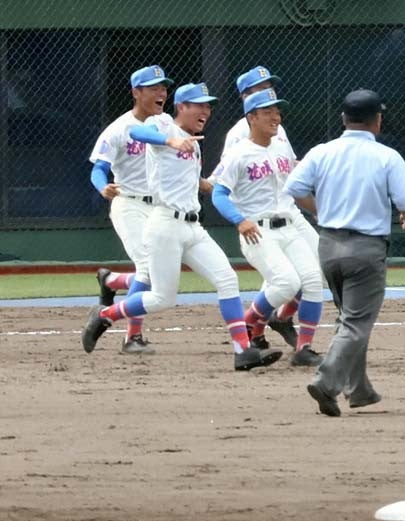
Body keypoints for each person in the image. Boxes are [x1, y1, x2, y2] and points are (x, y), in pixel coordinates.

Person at [81, 83, 283, 372]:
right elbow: (136, 132)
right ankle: (105, 316)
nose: (205, 111)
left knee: (227, 279)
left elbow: (187, 180)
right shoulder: (164, 125)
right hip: (165, 225)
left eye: (208, 106)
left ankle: (243, 352)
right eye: (198, 105)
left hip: (193, 226)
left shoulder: (193, 141)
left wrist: (212, 185)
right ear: (181, 107)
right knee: (162, 298)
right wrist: (170, 141)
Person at [287, 89, 405, 417]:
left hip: (328, 245)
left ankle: (359, 390)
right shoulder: (387, 156)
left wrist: (319, 211)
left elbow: (294, 188)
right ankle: (326, 382)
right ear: (377, 121)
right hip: (365, 248)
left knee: (348, 318)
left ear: (344, 118)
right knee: (356, 323)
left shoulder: (322, 152)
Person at [211, 89, 325, 367]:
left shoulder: (281, 147)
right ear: (251, 117)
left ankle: (304, 349)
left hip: (289, 225)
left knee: (313, 281)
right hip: (258, 231)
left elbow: (295, 187)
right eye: (267, 112)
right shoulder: (238, 153)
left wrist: (319, 208)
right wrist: (239, 220)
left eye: (277, 111)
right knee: (287, 283)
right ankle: (248, 324)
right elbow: (219, 194)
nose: (275, 117)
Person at [88, 65, 174, 353]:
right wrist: (103, 187)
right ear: (136, 93)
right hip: (129, 205)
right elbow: (98, 168)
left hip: (158, 207)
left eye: (163, 88)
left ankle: (111, 281)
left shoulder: (165, 124)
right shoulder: (119, 129)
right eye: (154, 88)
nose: (161, 93)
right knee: (148, 269)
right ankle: (132, 337)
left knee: (160, 270)